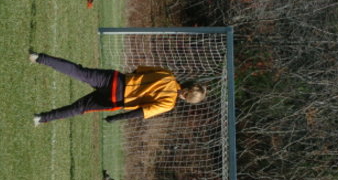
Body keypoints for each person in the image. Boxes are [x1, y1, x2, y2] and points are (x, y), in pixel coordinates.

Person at [29, 52, 207, 125]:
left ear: (188, 83)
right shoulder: (169, 104)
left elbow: (139, 70)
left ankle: (39, 58)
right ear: (186, 99)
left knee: (80, 72)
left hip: (115, 80)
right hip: (117, 99)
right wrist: (116, 118)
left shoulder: (168, 75)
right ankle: (41, 118)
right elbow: (141, 112)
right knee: (79, 108)